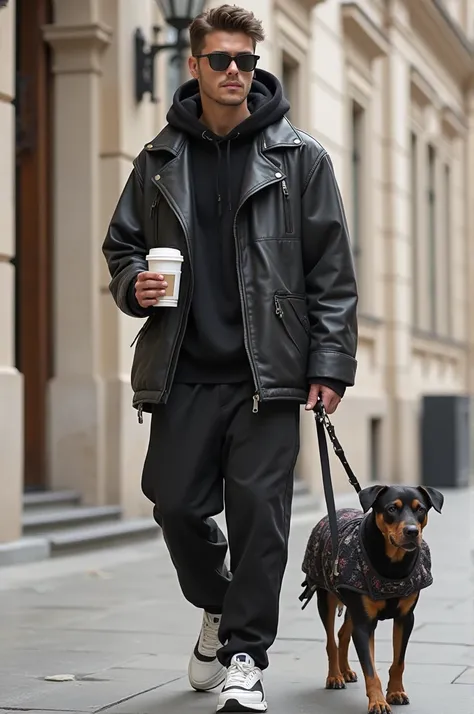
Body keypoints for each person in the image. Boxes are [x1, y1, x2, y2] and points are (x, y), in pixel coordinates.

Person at [102, 5, 358, 712]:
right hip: (183, 369)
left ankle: (245, 655)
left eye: (247, 60)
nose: (236, 73)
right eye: (221, 60)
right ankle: (218, 608)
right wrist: (134, 284)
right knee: (175, 506)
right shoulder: (157, 157)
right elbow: (121, 246)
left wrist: (329, 365)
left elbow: (331, 270)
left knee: (259, 518)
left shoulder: (300, 158)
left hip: (267, 375)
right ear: (194, 65)